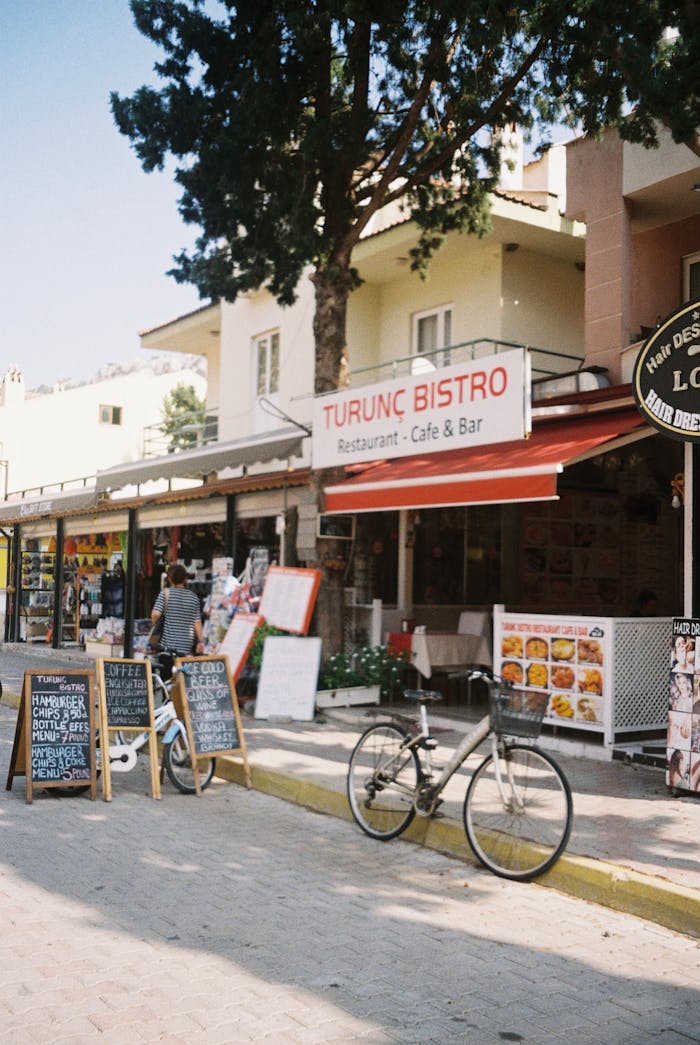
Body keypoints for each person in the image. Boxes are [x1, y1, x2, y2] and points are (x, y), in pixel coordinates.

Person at [151, 563, 205, 657]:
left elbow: (155, 615)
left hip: (168, 648)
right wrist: (200, 641)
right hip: (186, 649)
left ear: (170, 579)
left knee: (167, 671)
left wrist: (156, 622)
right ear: (185, 579)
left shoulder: (165, 594)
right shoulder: (194, 597)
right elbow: (197, 622)